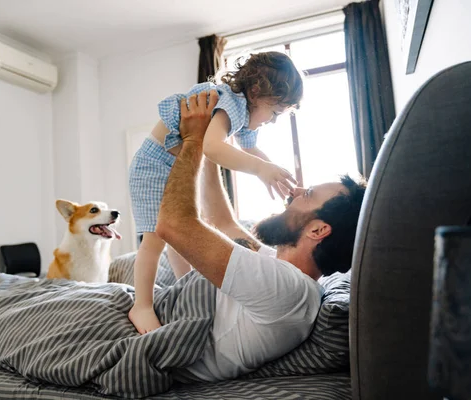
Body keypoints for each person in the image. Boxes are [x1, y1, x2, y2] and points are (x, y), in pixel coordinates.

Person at [157, 91, 366, 382]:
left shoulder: (290, 290)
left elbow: (173, 225)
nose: (294, 191)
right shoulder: (279, 269)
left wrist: (191, 141)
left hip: (160, 345)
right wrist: (210, 147)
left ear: (318, 230)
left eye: (307, 195)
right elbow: (222, 221)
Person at [129, 52, 304, 334]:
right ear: (256, 92)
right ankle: (142, 306)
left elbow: (248, 149)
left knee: (179, 236)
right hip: (153, 166)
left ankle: (185, 286)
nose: (271, 121)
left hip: (175, 167)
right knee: (154, 238)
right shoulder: (230, 104)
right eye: (274, 113)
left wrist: (276, 173)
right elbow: (212, 148)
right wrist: (260, 170)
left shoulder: (244, 115)